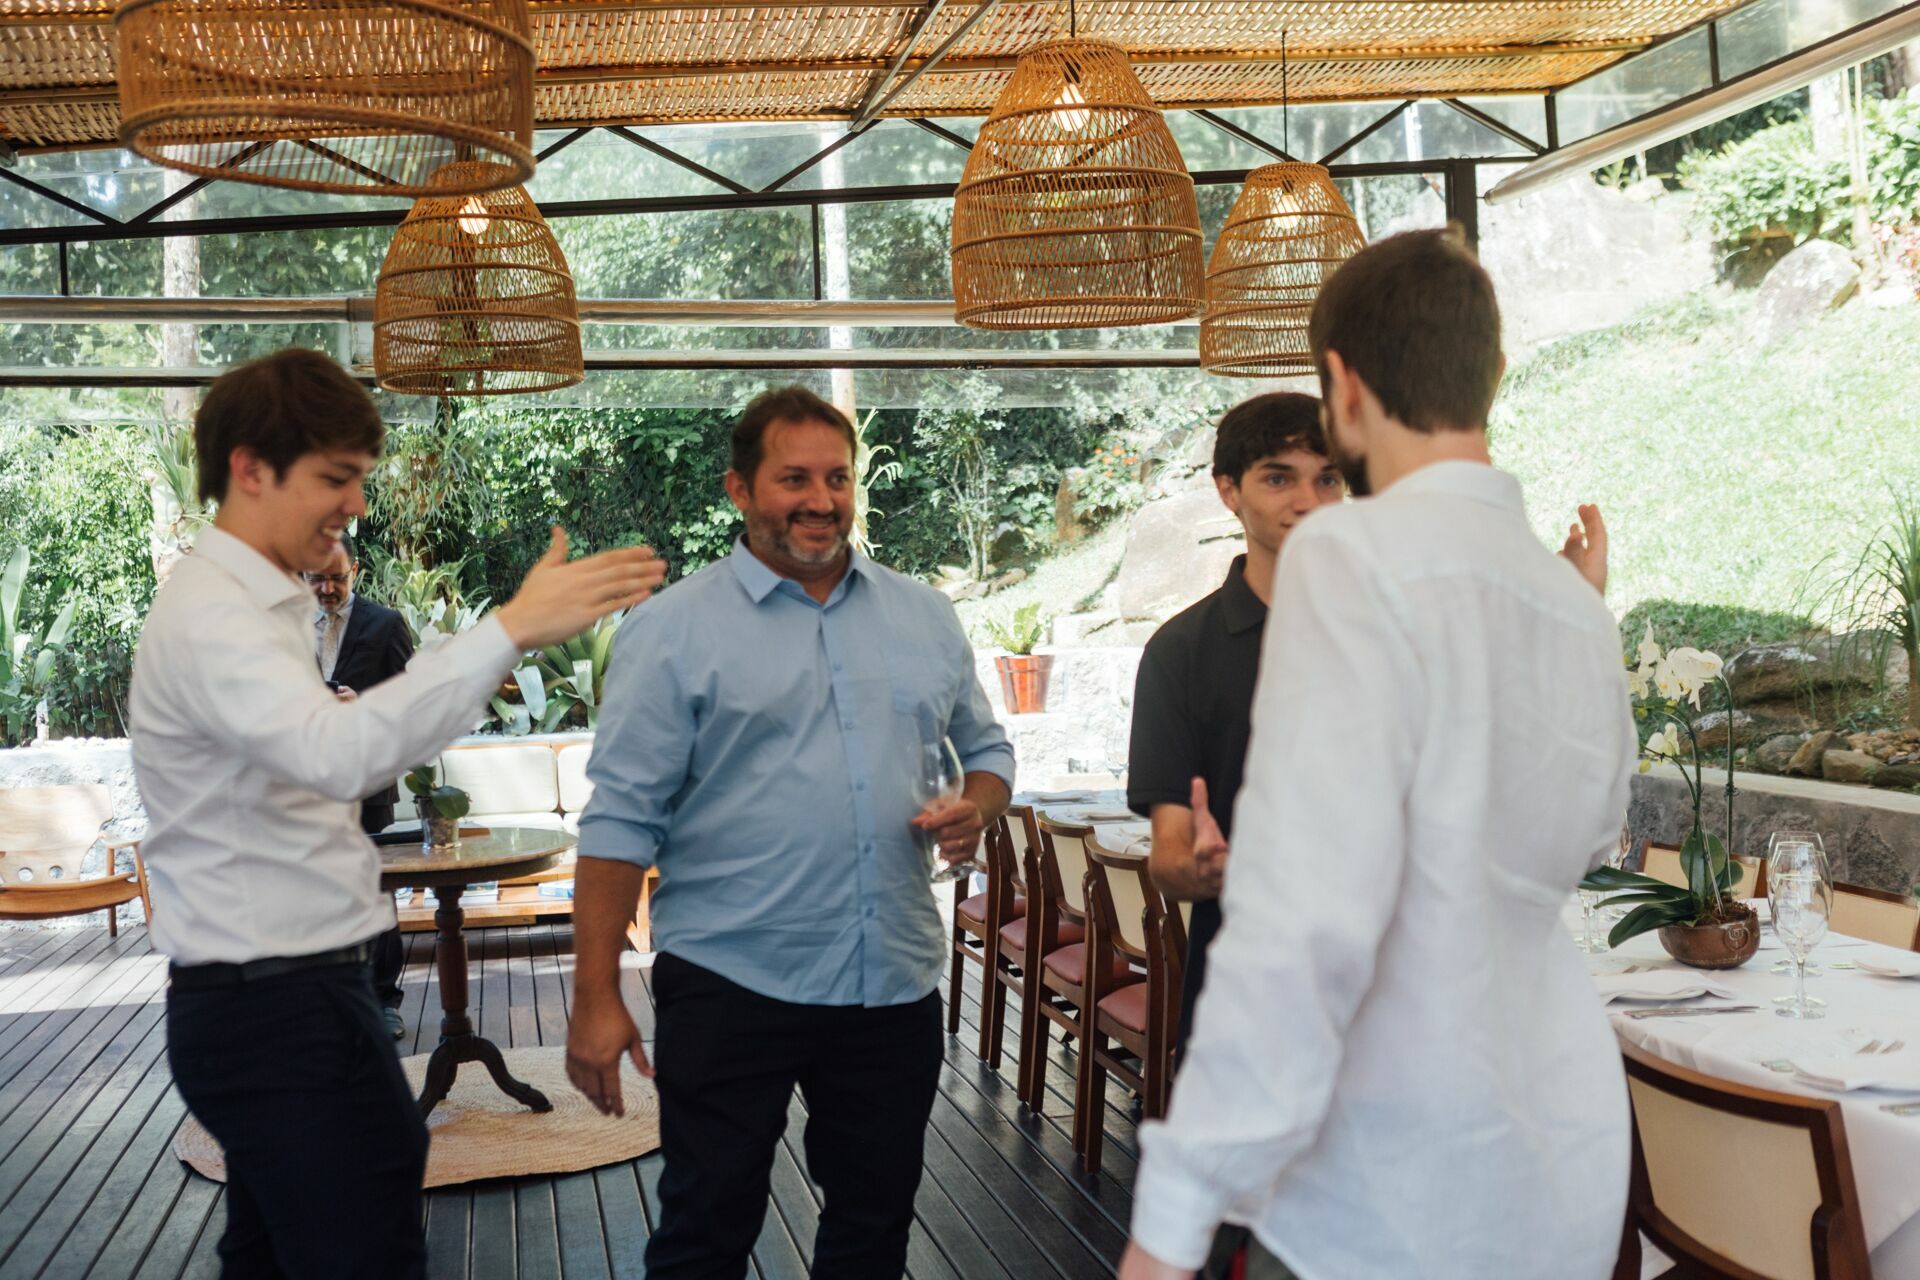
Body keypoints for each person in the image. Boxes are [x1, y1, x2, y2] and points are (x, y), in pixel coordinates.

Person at [1118, 228, 1637, 1280]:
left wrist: (1169, 1225)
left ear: (1342, 386)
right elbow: (1587, 844)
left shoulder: (1349, 557)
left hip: (1390, 1175)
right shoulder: (1576, 605)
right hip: (1565, 1157)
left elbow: (1301, 925)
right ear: (1489, 374)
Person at [129, 348, 666, 1279]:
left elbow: (309, 759)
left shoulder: (257, 610)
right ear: (251, 468)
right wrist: (509, 628)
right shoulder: (217, 614)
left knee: (268, 1260)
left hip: (280, 1003)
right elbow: (339, 755)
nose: (358, 507)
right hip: (280, 1012)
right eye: (338, 479)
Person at [563, 385, 1016, 1280]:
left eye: (837, 477)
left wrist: (979, 805)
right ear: (740, 489)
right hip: (734, 978)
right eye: (793, 478)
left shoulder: (924, 615)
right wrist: (594, 994)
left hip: (891, 978)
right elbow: (619, 823)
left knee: (873, 1228)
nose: (820, 499)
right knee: (706, 1229)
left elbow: (988, 749)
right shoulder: (670, 630)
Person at [306, 531, 415, 1038]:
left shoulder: (385, 624)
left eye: (336, 578)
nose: (327, 589)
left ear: (356, 573)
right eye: (316, 579)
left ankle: (384, 1001)